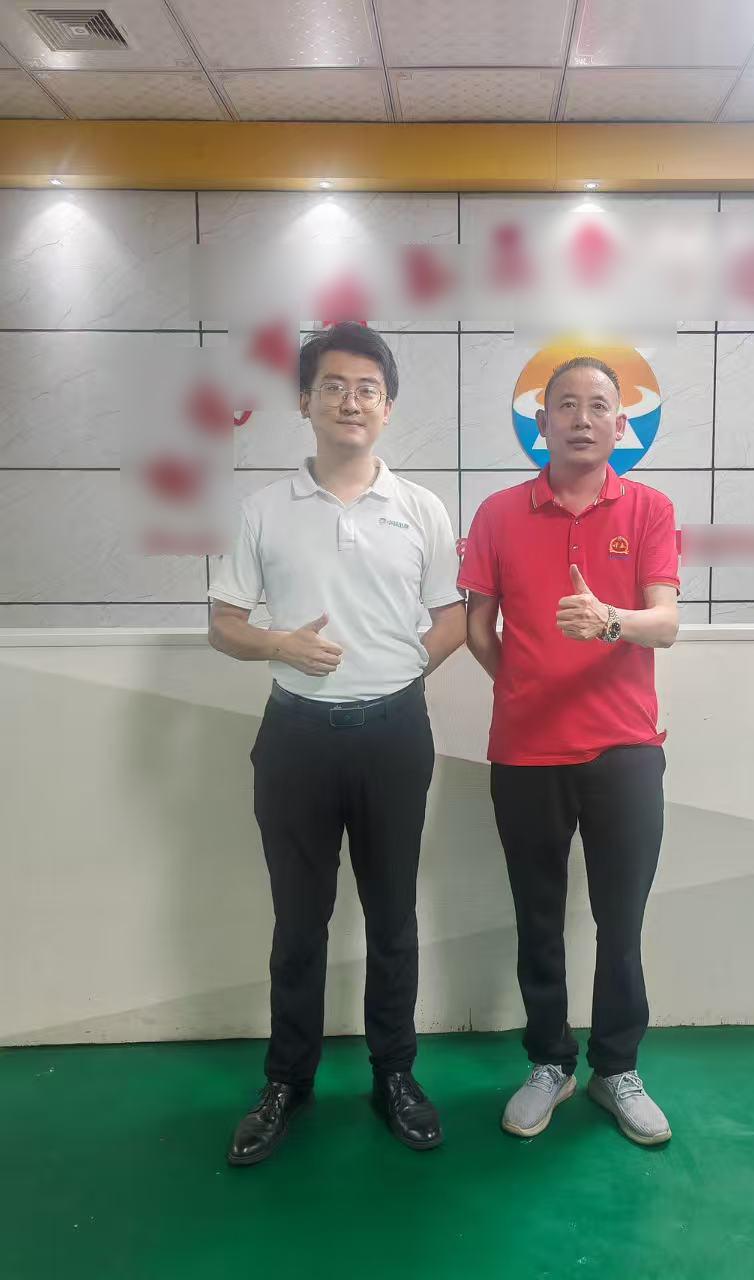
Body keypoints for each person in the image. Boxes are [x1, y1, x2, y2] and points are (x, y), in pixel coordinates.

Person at [208, 322, 465, 1165]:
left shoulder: (421, 509)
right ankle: (288, 1080)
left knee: (393, 917)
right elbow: (224, 623)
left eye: (367, 389)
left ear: (387, 409)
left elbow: (454, 615)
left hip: (394, 735)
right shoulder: (263, 510)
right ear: (304, 401)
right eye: (333, 386)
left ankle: (396, 1075)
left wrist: (401, 671)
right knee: (299, 921)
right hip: (296, 738)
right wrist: (280, 644)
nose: (350, 401)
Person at [458, 355, 679, 1146]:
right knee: (538, 917)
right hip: (526, 753)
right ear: (541, 422)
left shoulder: (649, 508)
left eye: (599, 406)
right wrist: (524, 683)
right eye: (566, 405)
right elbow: (478, 627)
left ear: (622, 424)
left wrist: (609, 621)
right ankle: (550, 1061)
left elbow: (666, 622)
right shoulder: (497, 514)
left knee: (622, 923)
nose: (582, 418)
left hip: (625, 751)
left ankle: (616, 1068)